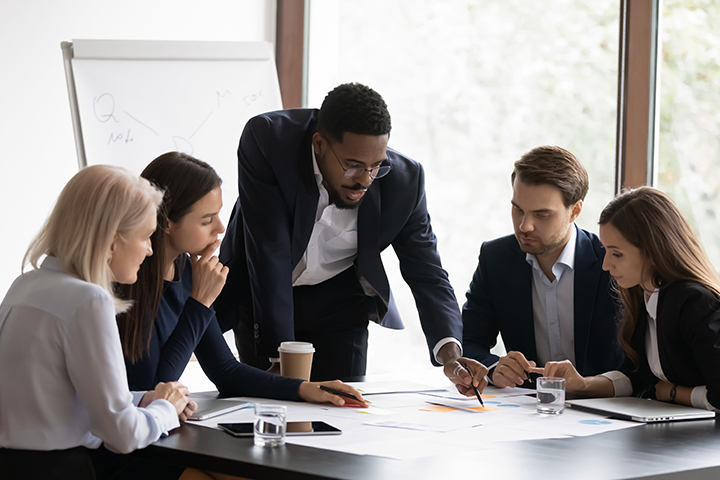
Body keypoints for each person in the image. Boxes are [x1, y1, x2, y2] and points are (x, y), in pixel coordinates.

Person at [215, 82, 485, 393]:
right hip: (264, 295)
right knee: (268, 408)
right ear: (319, 145)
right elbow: (269, 251)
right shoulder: (268, 141)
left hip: (340, 303)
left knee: (344, 410)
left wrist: (451, 355)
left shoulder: (404, 181)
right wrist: (281, 357)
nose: (365, 180)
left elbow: (427, 271)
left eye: (376, 166)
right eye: (353, 166)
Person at [116, 152, 369, 407]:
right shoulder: (127, 279)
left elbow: (225, 370)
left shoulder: (188, 270)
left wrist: (305, 388)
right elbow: (153, 389)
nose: (220, 228)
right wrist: (201, 302)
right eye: (206, 221)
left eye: (217, 215)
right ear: (166, 221)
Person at [0, 165, 192, 479]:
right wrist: (166, 410)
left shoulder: (25, 285)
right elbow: (122, 433)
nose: (150, 249)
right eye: (145, 236)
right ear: (113, 241)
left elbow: (61, 396)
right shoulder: (88, 300)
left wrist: (145, 399)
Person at [537, 187, 720, 411]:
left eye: (617, 254)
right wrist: (582, 384)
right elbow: (635, 377)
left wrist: (673, 394)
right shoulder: (645, 295)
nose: (605, 265)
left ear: (654, 250)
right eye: (605, 251)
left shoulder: (693, 301)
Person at [462, 146, 624, 388]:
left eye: (542, 214)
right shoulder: (495, 258)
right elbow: (468, 340)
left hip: (603, 407)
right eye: (518, 209)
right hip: (526, 409)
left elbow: (637, 361)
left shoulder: (610, 262)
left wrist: (588, 386)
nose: (525, 226)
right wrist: (494, 368)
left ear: (575, 211)